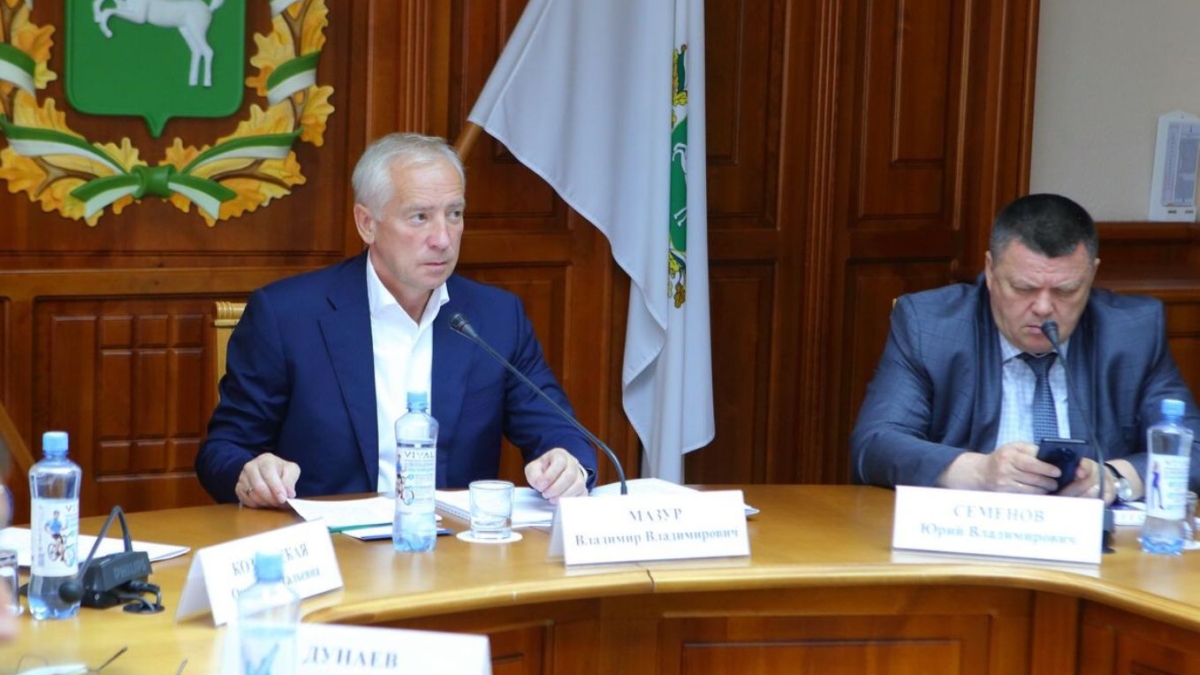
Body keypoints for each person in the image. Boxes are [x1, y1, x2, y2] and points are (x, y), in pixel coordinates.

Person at [196, 133, 597, 508]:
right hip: (333, 545)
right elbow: (224, 450)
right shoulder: (287, 316)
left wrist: (566, 463)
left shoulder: (495, 317)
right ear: (366, 223)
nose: (443, 238)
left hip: (456, 548)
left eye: (454, 214)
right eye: (420, 217)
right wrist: (251, 473)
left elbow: (558, 431)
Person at [852, 193, 1200, 503]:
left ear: (1091, 276)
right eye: (1023, 288)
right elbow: (875, 444)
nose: (1043, 308)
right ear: (991, 271)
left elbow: (1193, 449)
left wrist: (1114, 477)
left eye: (1065, 291)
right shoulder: (931, 326)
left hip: (1091, 544)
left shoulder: (1132, 333)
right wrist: (979, 472)